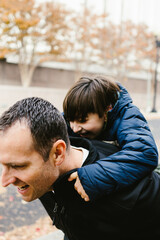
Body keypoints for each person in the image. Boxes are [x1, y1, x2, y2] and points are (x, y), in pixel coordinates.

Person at [0, 97, 160, 240]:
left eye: (18, 166)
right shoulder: (47, 169)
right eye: (3, 166)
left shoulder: (119, 202)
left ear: (58, 153)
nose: (4, 181)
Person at [63, 75, 158, 201]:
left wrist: (94, 176)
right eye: (71, 120)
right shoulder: (80, 113)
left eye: (82, 120)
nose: (75, 128)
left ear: (107, 109)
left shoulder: (127, 116)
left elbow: (145, 153)